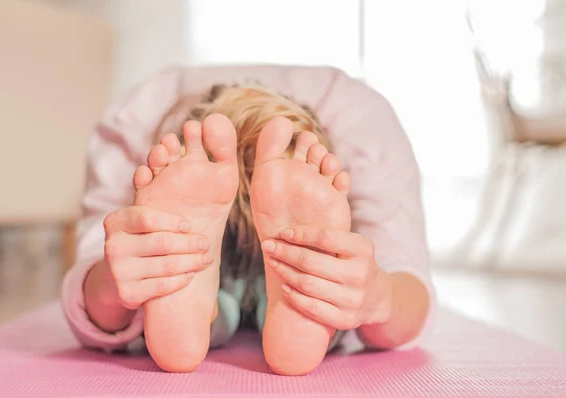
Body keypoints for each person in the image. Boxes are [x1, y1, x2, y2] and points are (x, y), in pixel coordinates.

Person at [61, 70, 436, 376]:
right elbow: (96, 271)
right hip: (287, 250)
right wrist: (117, 279)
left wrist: (375, 295)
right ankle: (305, 303)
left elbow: (406, 284)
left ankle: (206, 311)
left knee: (335, 283)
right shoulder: (134, 126)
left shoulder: (364, 123)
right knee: (319, 285)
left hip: (205, 256)